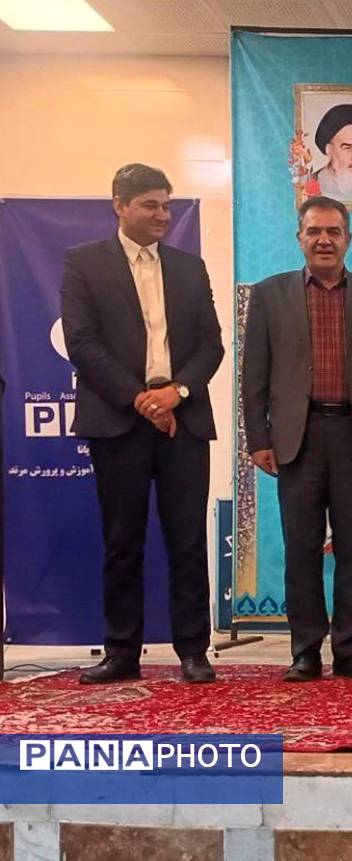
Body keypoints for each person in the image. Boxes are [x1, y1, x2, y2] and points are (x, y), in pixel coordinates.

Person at [61, 163, 224, 684]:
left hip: (184, 419)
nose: (163, 215)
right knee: (123, 541)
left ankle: (193, 651)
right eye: (151, 204)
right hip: (118, 421)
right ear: (120, 205)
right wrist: (140, 400)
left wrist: (175, 394)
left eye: (167, 205)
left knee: (187, 540)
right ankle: (121, 652)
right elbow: (82, 343)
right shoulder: (84, 263)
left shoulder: (189, 268)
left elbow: (211, 345)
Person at [241, 195, 352, 682]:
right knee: (302, 549)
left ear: (349, 239)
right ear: (299, 238)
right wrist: (258, 438)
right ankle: (305, 651)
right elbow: (255, 374)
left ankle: (351, 650)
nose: (324, 240)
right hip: (298, 437)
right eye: (314, 231)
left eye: (334, 231)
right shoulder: (269, 295)